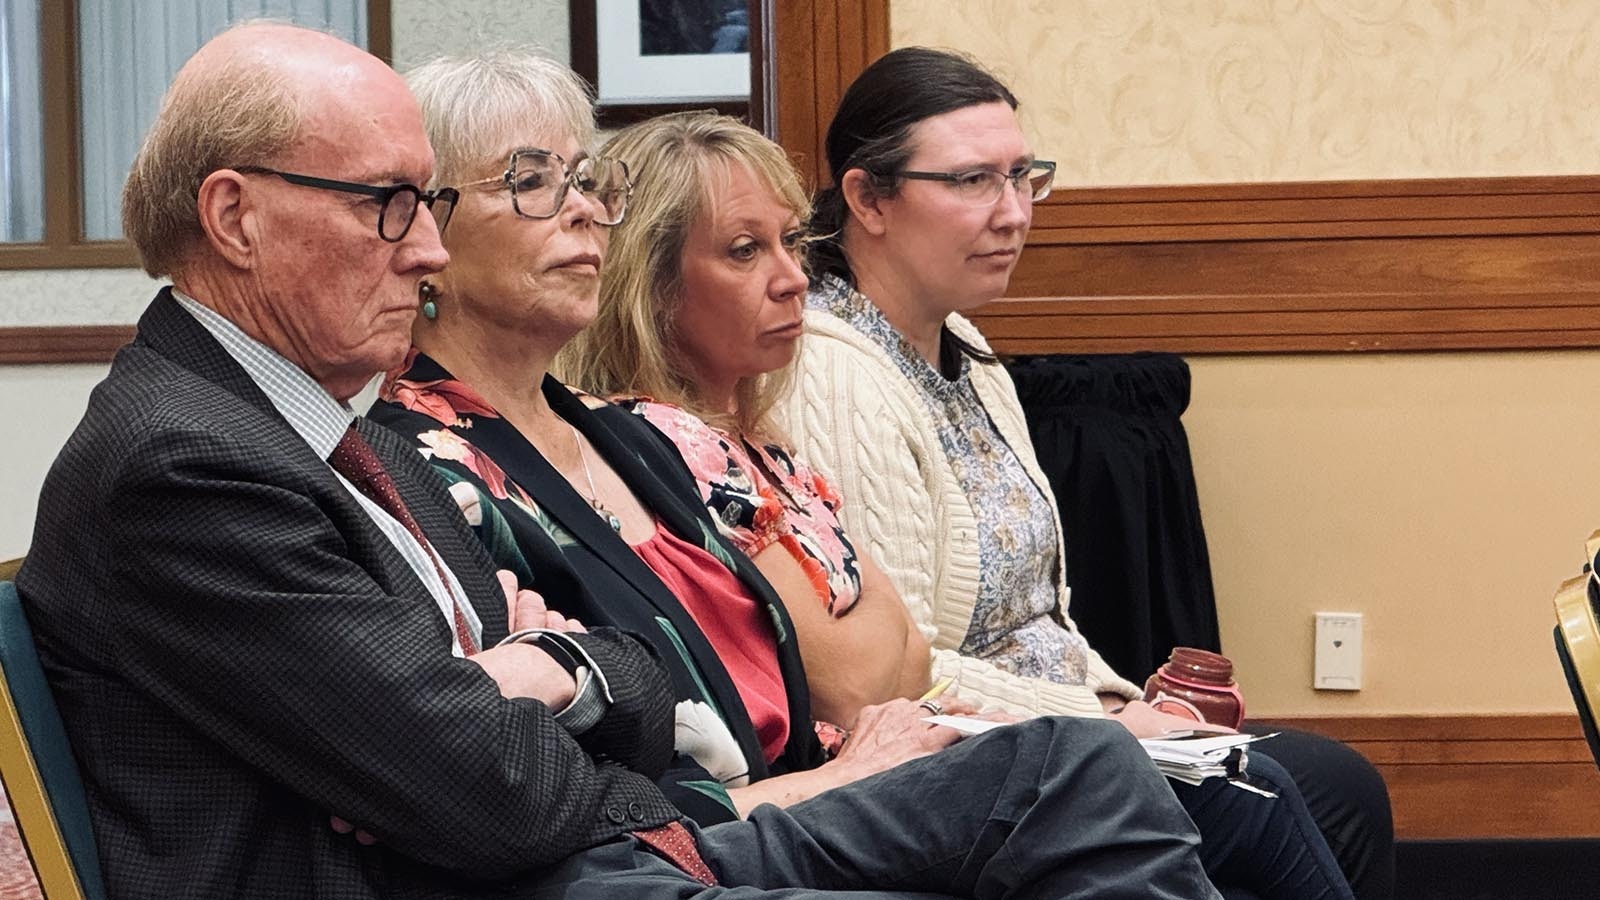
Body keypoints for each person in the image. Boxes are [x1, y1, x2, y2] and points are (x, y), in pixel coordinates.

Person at [14, 25, 1222, 899]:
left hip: (574, 853)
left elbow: (631, 677)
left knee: (1075, 771)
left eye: (430, 204)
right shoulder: (180, 461)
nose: (428, 250)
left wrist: (542, 669)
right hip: (492, 880)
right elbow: (488, 789)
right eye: (389, 204)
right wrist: (543, 676)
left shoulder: (343, 427)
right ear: (236, 216)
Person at [564, 109, 1355, 900]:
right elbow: (864, 677)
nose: (793, 276)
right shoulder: (663, 442)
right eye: (746, 252)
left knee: (1291, 788)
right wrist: (1098, 720)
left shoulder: (763, 439)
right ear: (651, 282)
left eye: (792, 243)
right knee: (1260, 799)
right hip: (843, 778)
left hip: (933, 736)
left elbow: (921, 641)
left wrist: (1109, 703)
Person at [777, 46, 1396, 900]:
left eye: (1023, 175)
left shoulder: (968, 348)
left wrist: (1125, 705)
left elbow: (1041, 616)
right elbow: (901, 671)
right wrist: (1104, 722)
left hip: (1058, 729)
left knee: (1332, 785)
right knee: (1294, 794)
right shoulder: (830, 370)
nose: (1015, 212)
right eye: (971, 182)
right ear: (867, 198)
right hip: (965, 755)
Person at [371, 50, 942, 822]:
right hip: (696, 857)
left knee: (1086, 769)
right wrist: (840, 781)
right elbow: (566, 795)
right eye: (531, 181)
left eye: (584, 180)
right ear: (424, 234)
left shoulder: (630, 435)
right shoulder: (423, 469)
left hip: (819, 811)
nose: (580, 209)